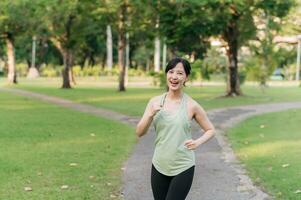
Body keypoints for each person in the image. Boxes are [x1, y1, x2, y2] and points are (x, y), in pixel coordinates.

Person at [136, 57, 215, 200]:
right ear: (166, 74)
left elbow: (210, 130)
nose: (174, 77)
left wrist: (198, 142)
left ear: (186, 78)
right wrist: (149, 114)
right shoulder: (154, 102)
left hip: (183, 166)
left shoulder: (192, 105)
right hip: (159, 164)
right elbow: (139, 133)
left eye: (180, 73)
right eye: (171, 72)